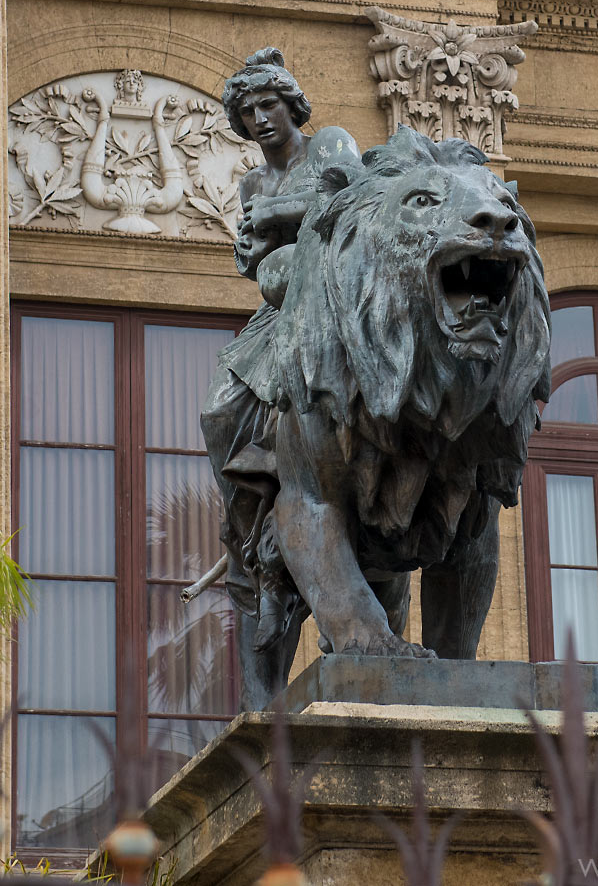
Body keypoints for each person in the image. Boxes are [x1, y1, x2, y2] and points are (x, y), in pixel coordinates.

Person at [200, 49, 360, 705]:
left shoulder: (330, 145)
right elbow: (254, 257)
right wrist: (253, 239)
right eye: (247, 113)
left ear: (290, 105)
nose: (260, 120)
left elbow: (351, 203)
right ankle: (248, 519)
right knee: (218, 410)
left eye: (268, 106)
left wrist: (274, 221)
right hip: (277, 310)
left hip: (332, 298)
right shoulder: (250, 185)